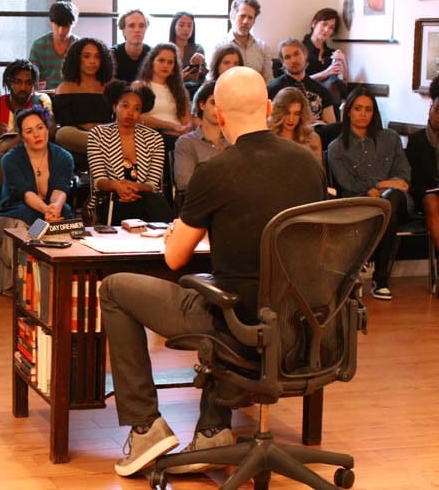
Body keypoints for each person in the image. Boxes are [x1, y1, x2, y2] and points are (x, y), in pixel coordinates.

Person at [101, 67, 326, 478]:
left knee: (116, 288)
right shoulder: (308, 164)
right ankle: (212, 430)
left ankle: (146, 426)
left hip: (239, 325)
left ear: (218, 114)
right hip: (302, 325)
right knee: (226, 290)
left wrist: (179, 231)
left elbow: (174, 259)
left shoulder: (216, 171)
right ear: (268, 108)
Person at [328, 88, 411, 300]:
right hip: (359, 203)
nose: (363, 114)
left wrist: (380, 189)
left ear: (374, 113)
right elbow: (348, 184)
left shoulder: (390, 139)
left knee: (391, 200)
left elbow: (403, 178)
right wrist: (381, 183)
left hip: (396, 203)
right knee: (385, 204)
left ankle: (376, 274)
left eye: (368, 109)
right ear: (348, 112)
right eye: (358, 109)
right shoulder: (337, 148)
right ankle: (380, 280)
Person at [0, 107, 73, 295]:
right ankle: (25, 286)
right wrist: (47, 210)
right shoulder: (10, 159)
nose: (37, 134)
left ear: (48, 128)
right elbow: (26, 194)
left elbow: (61, 191)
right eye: (29, 131)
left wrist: (55, 208)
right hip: (13, 212)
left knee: (67, 219)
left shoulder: (63, 157)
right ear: (21, 136)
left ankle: (61, 283)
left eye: (40, 127)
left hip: (48, 213)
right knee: (22, 225)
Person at [87, 80, 173, 225]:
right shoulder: (98, 134)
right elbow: (99, 180)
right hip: (112, 198)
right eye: (125, 105)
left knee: (153, 200)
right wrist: (117, 186)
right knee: (121, 205)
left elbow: (153, 184)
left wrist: (135, 188)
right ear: (115, 107)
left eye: (137, 108)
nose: (130, 112)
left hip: (145, 199)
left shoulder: (154, 138)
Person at [267, 38, 339, 148]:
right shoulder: (273, 89)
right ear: (283, 62)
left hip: (314, 138)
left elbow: (331, 124)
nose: (293, 60)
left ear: (305, 54)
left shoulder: (321, 90)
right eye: (287, 57)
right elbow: (269, 122)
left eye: (296, 54)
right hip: (284, 139)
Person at [0, 59, 53, 160]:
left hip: (35, 151)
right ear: (8, 83)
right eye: (18, 82)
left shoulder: (41, 101)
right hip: (2, 156)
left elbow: (51, 131)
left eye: (29, 83)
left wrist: (18, 139)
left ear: (34, 84)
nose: (23, 87)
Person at [53, 37, 114, 158]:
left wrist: (101, 130)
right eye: (86, 56)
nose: (92, 61)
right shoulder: (65, 88)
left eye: (97, 57)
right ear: (77, 59)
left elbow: (117, 120)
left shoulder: (110, 88)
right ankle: (106, 147)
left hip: (107, 134)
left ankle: (105, 146)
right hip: (77, 137)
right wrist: (91, 131)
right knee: (62, 133)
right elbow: (66, 123)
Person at [173, 80, 228, 199]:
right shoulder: (186, 142)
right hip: (201, 203)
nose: (218, 109)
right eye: (213, 103)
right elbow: (184, 182)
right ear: (202, 105)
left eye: (223, 104)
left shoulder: (234, 141)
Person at [133, 43, 193, 144]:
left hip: (177, 139)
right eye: (161, 60)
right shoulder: (139, 86)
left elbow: (187, 123)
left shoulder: (180, 90)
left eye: (170, 62)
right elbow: (137, 117)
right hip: (149, 139)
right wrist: (172, 126)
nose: (165, 65)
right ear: (152, 62)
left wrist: (183, 130)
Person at [406, 76, 439, 253]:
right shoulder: (417, 140)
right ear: (430, 110)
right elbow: (413, 180)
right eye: (438, 110)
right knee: (432, 202)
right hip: (425, 195)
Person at [215, 0, 272, 82]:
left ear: (254, 21)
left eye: (250, 18)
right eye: (242, 16)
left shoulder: (262, 48)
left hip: (256, 93)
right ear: (232, 16)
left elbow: (268, 81)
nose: (246, 21)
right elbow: (211, 80)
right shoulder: (219, 46)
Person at [29, 0, 79, 90]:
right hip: (45, 96)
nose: (61, 31)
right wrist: (35, 84)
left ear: (74, 24)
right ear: (51, 22)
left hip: (72, 94)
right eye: (57, 25)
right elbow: (30, 76)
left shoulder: (79, 46)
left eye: (66, 26)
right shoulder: (39, 45)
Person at [303, 8, 348, 102]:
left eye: (331, 27)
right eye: (324, 24)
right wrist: (326, 73)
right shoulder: (300, 50)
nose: (327, 30)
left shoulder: (332, 54)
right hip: (305, 98)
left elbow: (343, 84)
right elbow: (296, 81)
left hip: (329, 100)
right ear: (314, 24)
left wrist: (344, 62)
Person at [268, 87, 322, 161]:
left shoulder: (313, 139)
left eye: (296, 114)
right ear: (279, 112)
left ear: (302, 115)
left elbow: (319, 171)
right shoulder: (267, 137)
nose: (291, 119)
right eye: (287, 113)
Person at [168, 12, 206, 89]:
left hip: (194, 88)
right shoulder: (166, 49)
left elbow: (203, 76)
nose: (186, 29)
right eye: (181, 25)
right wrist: (179, 77)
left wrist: (202, 63)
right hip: (171, 88)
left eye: (189, 26)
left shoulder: (198, 48)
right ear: (174, 26)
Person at [111, 9, 150, 83]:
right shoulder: (112, 55)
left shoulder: (153, 55)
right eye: (131, 26)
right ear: (123, 31)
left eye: (141, 26)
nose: (137, 30)